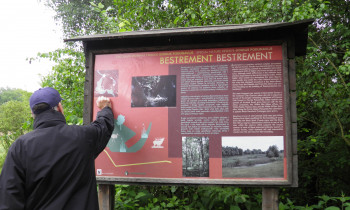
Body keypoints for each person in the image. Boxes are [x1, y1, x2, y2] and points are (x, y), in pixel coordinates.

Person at [0, 87, 114, 209]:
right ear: (59, 107)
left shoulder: (20, 147)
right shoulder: (83, 137)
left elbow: (9, 198)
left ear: (32, 113)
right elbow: (103, 126)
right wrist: (105, 109)